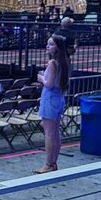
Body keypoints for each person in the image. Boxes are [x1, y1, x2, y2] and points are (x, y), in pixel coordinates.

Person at [35, 34, 69, 174]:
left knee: (49, 133)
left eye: (51, 44)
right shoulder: (64, 62)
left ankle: (49, 164)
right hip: (58, 98)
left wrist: (41, 78)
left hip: (50, 99)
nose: (47, 46)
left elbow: (48, 84)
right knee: (55, 132)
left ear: (57, 48)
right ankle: (53, 162)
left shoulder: (52, 63)